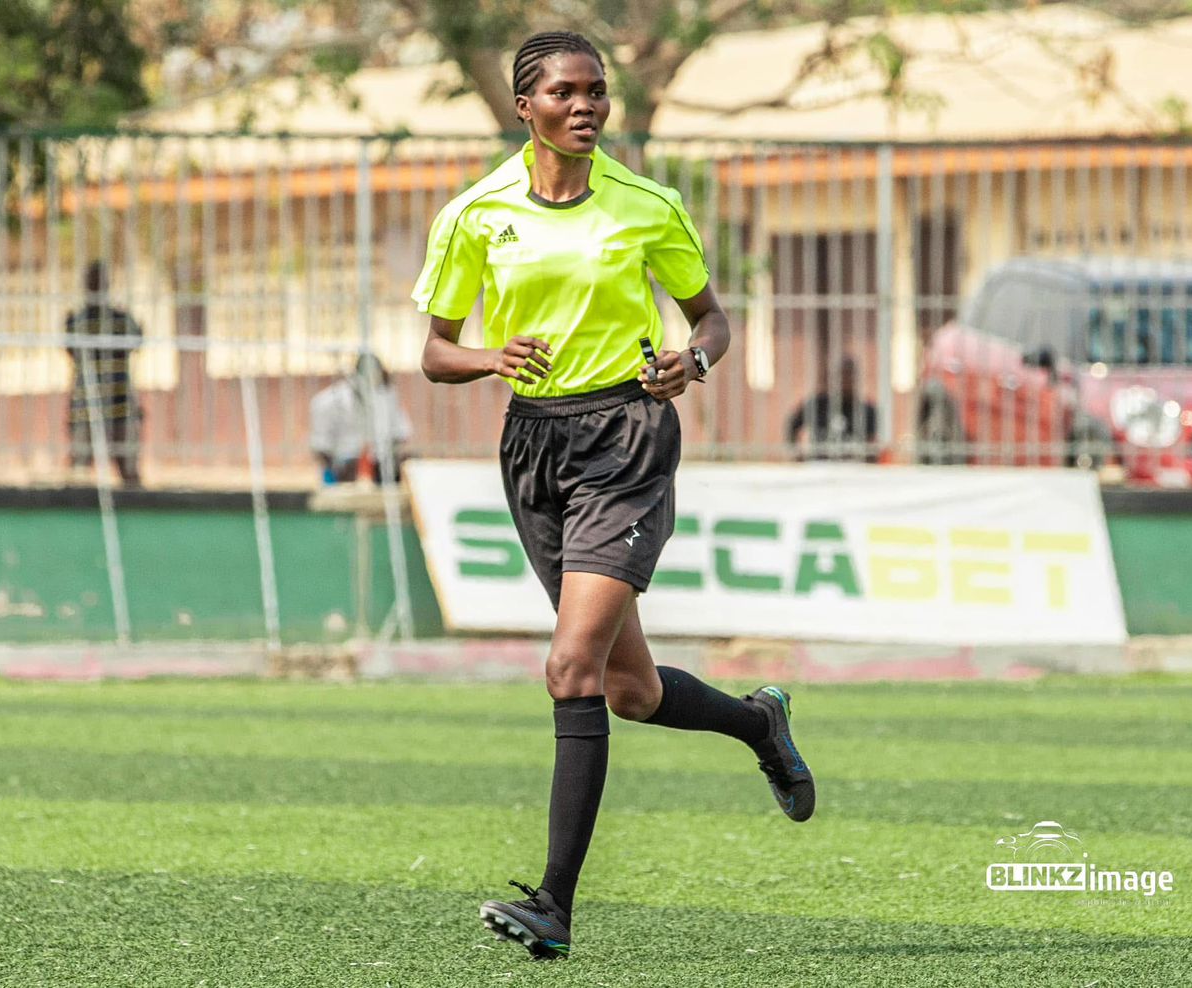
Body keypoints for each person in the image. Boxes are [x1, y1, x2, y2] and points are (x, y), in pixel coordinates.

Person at [412, 31, 815, 962]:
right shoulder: (476, 214)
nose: (587, 105)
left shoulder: (647, 205)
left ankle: (553, 904)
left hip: (627, 436)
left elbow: (710, 318)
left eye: (597, 91)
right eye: (566, 92)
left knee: (568, 669)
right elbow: (435, 351)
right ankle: (760, 721)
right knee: (629, 690)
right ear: (527, 107)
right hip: (531, 444)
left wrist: (695, 360)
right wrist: (488, 358)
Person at [65, 261, 142, 485]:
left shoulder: (118, 318)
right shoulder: (78, 319)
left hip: (119, 400)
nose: (97, 285)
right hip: (86, 400)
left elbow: (135, 341)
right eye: (93, 281)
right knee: (80, 467)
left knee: (128, 467)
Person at [308, 353, 412, 483]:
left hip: (378, 464)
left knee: (408, 461)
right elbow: (321, 446)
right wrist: (335, 471)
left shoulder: (386, 396)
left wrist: (385, 457)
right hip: (344, 467)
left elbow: (401, 432)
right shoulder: (331, 402)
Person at [787, 355, 879, 462]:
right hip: (819, 467)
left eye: (849, 377)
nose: (845, 382)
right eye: (842, 377)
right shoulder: (816, 404)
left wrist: (867, 466)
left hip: (854, 469)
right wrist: (798, 456)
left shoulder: (867, 409)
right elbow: (792, 425)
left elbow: (872, 446)